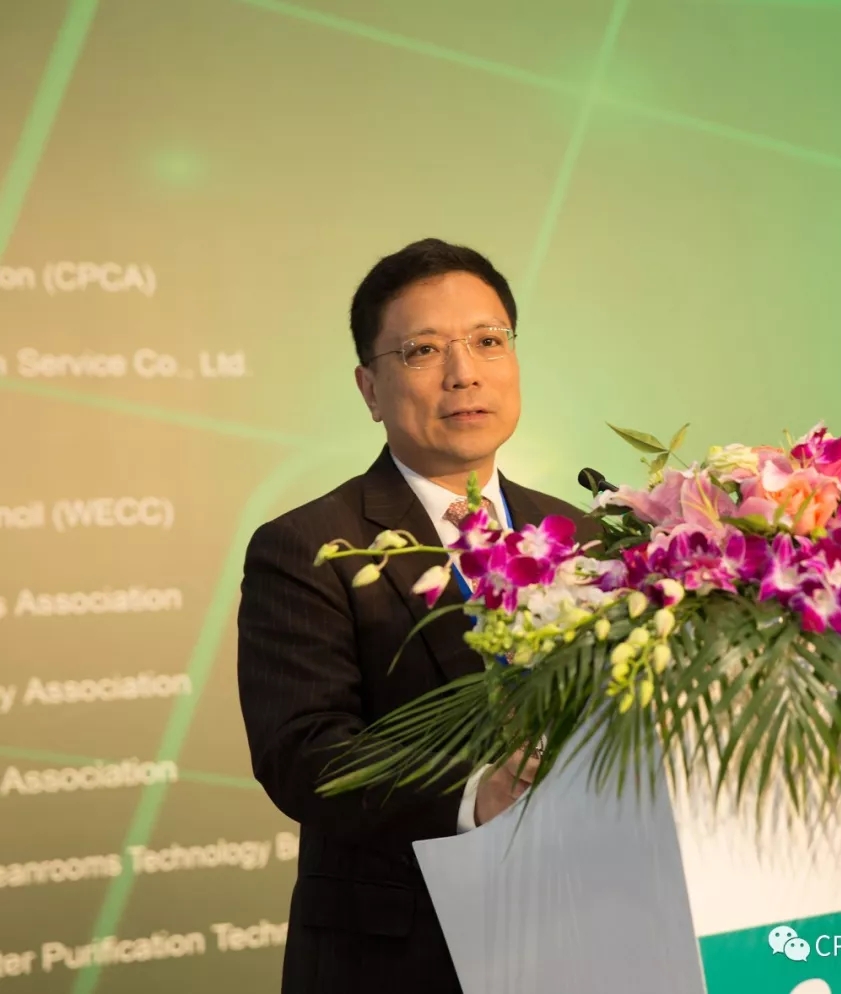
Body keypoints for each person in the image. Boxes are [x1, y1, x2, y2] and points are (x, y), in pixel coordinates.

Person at [236, 238, 595, 994]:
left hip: (585, 930)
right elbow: (303, 754)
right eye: (424, 350)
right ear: (370, 389)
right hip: (400, 958)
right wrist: (476, 793)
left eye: (488, 341)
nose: (464, 373)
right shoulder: (310, 546)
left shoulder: (581, 533)